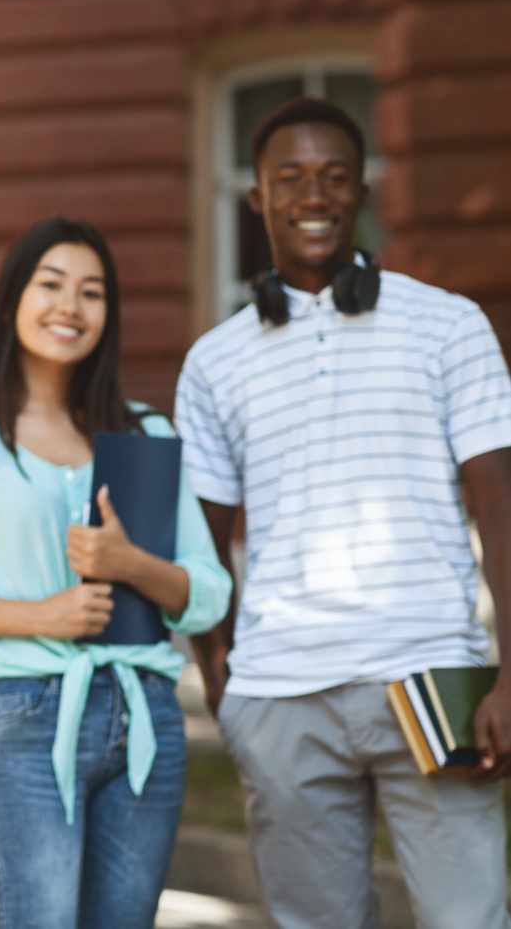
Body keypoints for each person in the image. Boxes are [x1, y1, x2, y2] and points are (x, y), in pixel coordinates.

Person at [176, 97, 511, 929]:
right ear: (255, 196)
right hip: (281, 694)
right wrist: (225, 684)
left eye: (331, 176)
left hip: (432, 676)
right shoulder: (214, 360)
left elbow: (500, 504)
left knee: (469, 920)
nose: (310, 195)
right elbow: (202, 544)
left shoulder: (447, 326)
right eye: (287, 178)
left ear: (362, 190)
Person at [0, 216, 231, 929]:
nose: (70, 306)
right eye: (50, 284)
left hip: (145, 710)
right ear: (9, 300)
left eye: (91, 292)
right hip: (23, 710)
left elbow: (208, 594)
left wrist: (132, 565)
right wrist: (40, 616)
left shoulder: (144, 434)